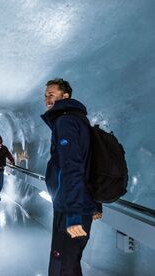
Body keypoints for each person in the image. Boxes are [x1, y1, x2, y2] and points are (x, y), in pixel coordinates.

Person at [41, 78, 102, 275]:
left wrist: (74, 214)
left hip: (70, 208)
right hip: (80, 204)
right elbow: (91, 164)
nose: (47, 99)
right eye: (45, 96)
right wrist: (95, 203)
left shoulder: (65, 121)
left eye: (51, 94)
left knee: (62, 267)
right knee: (71, 263)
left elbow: (72, 167)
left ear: (65, 96)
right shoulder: (80, 120)